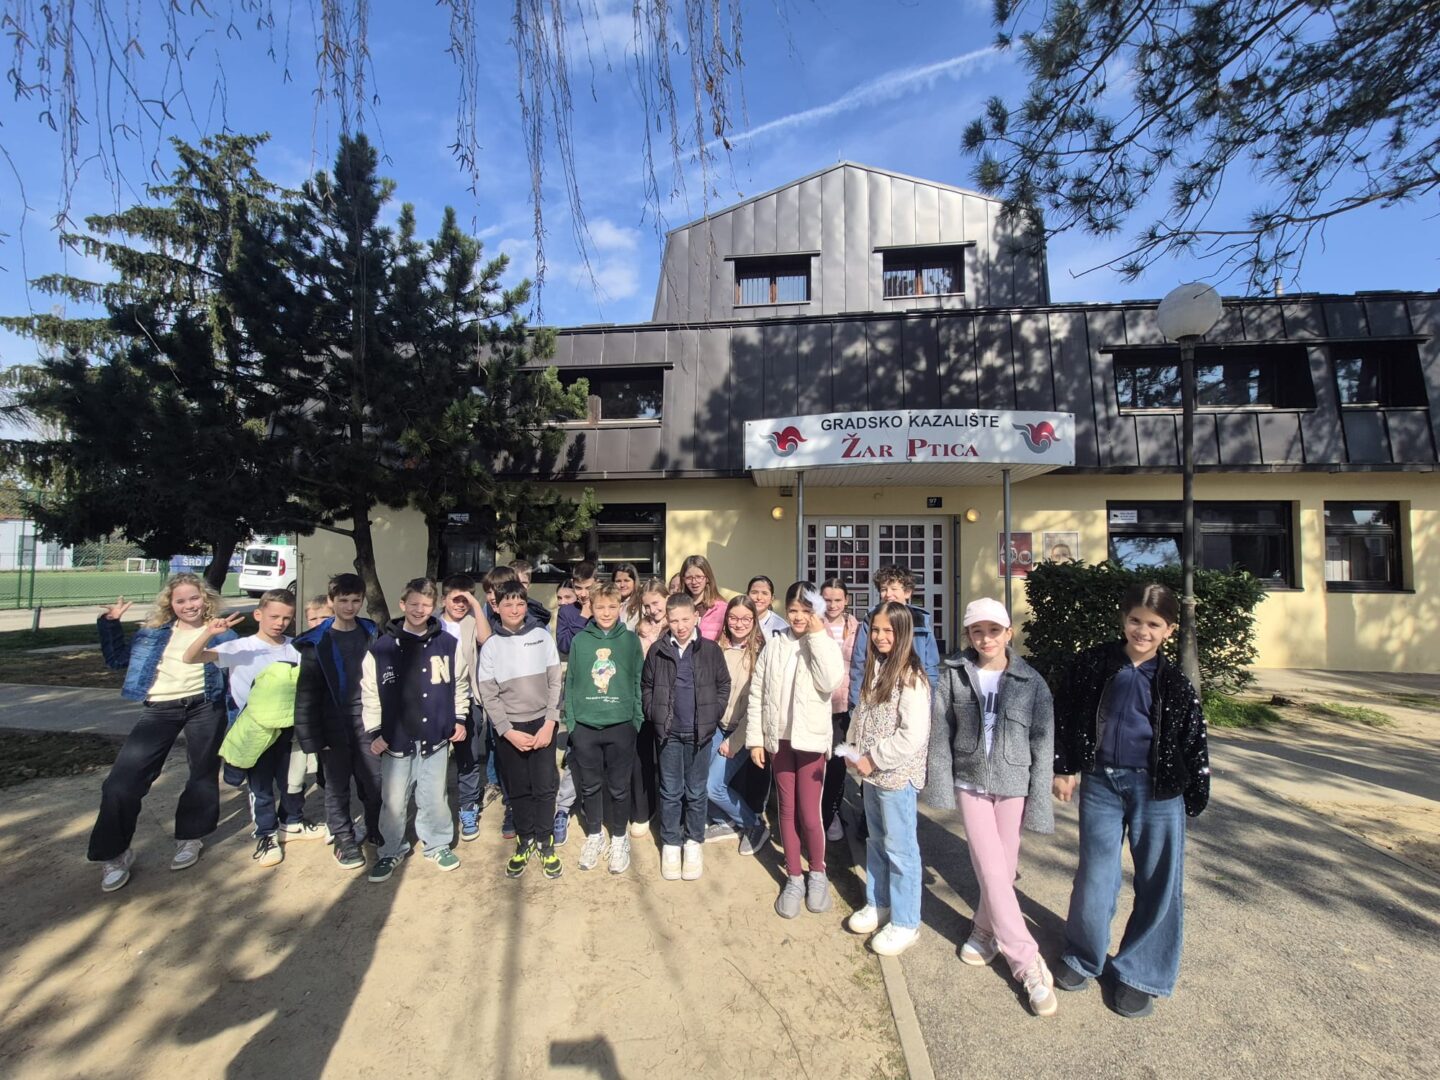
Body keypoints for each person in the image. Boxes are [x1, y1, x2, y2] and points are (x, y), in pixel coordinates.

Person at [1051, 583, 1211, 1019]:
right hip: (1101, 784)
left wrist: (1195, 793)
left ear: (1169, 630)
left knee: (1158, 881)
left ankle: (1140, 972)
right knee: (1096, 874)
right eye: (1136, 620)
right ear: (1123, 620)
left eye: (1154, 624)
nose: (1143, 630)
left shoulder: (1175, 682)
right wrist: (1064, 766)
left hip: (1157, 790)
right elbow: (1066, 715)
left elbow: (1193, 739)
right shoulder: (1093, 664)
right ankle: (1083, 955)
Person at [923, 598, 1057, 1015]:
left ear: (1008, 633)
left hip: (1014, 783)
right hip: (971, 782)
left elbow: (1043, 742)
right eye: (977, 631)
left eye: (994, 630)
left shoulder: (1031, 681)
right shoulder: (954, 674)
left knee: (1001, 867)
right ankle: (1026, 961)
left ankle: (984, 930)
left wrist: (1040, 800)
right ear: (967, 635)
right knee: (991, 867)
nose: (986, 639)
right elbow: (939, 731)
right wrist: (940, 785)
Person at [89, 575, 239, 893]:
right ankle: (115, 853)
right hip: (160, 709)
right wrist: (110, 624)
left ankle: (190, 837)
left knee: (202, 773)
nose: (189, 605)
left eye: (194, 598)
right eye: (180, 600)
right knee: (121, 783)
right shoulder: (154, 633)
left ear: (205, 598)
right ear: (170, 604)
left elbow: (239, 668)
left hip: (205, 706)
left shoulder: (222, 630)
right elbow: (116, 660)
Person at [184, 588, 320, 869]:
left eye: (286, 618)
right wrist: (209, 633)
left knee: (292, 781)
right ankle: (266, 834)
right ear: (258, 614)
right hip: (255, 730)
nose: (280, 623)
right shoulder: (239, 647)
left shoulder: (297, 647)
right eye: (274, 616)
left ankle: (292, 822)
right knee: (260, 786)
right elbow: (191, 657)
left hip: (289, 728)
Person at [361, 577, 469, 883]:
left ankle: (437, 844)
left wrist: (459, 718)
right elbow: (370, 692)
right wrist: (375, 732)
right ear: (402, 604)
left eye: (426, 605)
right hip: (396, 739)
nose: (420, 610)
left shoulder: (447, 644)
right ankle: (390, 850)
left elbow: (460, 683)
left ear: (434, 607)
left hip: (435, 736)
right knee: (394, 801)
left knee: (434, 796)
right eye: (414, 604)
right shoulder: (382, 648)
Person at [746, 582, 844, 918]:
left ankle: (817, 873)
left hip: (811, 741)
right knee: (786, 811)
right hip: (780, 741)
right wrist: (756, 739)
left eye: (805, 610)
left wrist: (816, 637)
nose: (798, 616)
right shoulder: (775, 644)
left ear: (816, 611)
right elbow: (758, 692)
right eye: (793, 610)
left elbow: (830, 682)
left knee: (809, 813)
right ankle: (794, 877)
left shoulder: (823, 642)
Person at [845, 600, 931, 956]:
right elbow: (861, 714)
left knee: (900, 849)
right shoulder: (875, 669)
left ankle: (906, 921)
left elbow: (912, 735)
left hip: (895, 778)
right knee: (877, 842)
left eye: (888, 631)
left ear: (903, 633)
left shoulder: (911, 677)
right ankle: (878, 902)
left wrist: (873, 758)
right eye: (876, 630)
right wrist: (851, 747)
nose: (880, 637)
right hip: (871, 777)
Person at [477, 579, 565, 880]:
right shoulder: (491, 646)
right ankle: (525, 839)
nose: (514, 609)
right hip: (510, 730)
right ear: (496, 607)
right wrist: (507, 731)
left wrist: (550, 722)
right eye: (508, 604)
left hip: (542, 725)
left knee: (544, 786)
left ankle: (544, 840)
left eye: (520, 603)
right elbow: (488, 694)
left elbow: (555, 682)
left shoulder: (541, 636)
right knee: (518, 788)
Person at [293, 573, 380, 871]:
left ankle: (375, 828)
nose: (349, 606)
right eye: (343, 600)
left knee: (374, 781)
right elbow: (306, 694)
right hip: (334, 724)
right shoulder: (317, 642)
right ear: (331, 601)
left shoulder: (371, 632)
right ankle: (344, 838)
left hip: (367, 721)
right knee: (337, 785)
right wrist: (311, 738)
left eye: (356, 600)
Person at [642, 592, 730, 881]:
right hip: (668, 734)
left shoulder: (710, 651)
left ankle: (693, 841)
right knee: (670, 790)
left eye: (685, 619)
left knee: (695, 790)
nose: (680, 626)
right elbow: (646, 685)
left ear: (695, 617)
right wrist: (653, 712)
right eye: (674, 620)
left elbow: (723, 685)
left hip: (699, 734)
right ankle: (670, 843)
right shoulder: (657, 650)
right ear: (667, 620)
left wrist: (712, 713)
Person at [563, 583, 644, 874]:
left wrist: (636, 720)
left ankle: (619, 838)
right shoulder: (580, 641)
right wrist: (572, 722)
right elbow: (571, 681)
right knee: (590, 785)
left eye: (612, 606)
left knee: (619, 787)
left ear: (620, 607)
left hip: (621, 725)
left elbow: (637, 681)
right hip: (586, 726)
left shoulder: (630, 640)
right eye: (600, 607)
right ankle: (595, 835)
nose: (606, 612)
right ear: (591, 608)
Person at [704, 595, 770, 855]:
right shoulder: (716, 649)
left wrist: (736, 740)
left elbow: (760, 705)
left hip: (742, 730)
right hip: (716, 726)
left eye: (745, 618)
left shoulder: (762, 653)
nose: (739, 624)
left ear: (754, 620)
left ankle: (755, 824)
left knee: (713, 786)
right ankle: (725, 821)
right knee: (697, 779)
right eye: (733, 617)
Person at [847, 565, 940, 710]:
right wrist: (855, 702)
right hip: (878, 693)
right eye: (884, 589)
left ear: (907, 592)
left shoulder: (920, 621)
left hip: (912, 691)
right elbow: (860, 662)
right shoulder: (871, 619)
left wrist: (930, 699)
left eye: (894, 589)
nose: (888, 594)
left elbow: (930, 666)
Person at [438, 574, 486, 843]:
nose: (460, 604)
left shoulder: (472, 622)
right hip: (435, 703)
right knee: (433, 762)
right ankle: (436, 811)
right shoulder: (432, 624)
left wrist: (475, 606)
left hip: (467, 700)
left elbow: (485, 639)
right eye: (455, 599)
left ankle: (468, 807)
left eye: (465, 599)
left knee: (467, 758)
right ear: (443, 599)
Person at [819, 577, 859, 841]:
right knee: (816, 763)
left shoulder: (857, 628)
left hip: (843, 707)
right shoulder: (812, 624)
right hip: (816, 704)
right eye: (827, 600)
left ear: (846, 600)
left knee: (836, 764)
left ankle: (830, 812)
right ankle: (814, 813)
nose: (832, 605)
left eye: (837, 600)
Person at [628, 577, 668, 837]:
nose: (652, 610)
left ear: (667, 598)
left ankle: (671, 813)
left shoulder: (677, 625)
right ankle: (643, 809)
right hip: (642, 699)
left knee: (667, 760)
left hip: (668, 702)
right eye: (647, 606)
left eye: (656, 603)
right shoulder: (639, 629)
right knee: (641, 757)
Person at [556, 560, 598, 656]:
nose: (583, 594)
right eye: (578, 588)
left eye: (588, 588)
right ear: (572, 583)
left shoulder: (607, 608)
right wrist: (583, 617)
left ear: (597, 583)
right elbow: (564, 647)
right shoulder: (566, 611)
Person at [679, 555, 726, 641]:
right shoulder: (680, 606)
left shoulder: (721, 608)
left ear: (707, 578)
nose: (694, 582)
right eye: (689, 578)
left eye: (699, 577)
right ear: (683, 579)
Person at [613, 562, 643, 630]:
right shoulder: (609, 603)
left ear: (634, 582)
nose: (622, 585)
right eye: (618, 581)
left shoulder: (641, 606)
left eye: (626, 580)